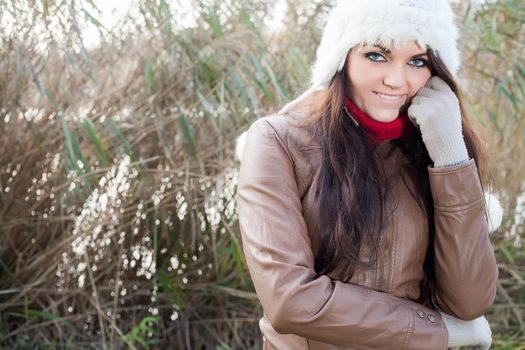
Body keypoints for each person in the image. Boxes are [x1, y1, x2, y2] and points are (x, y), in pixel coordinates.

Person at [235, 1, 499, 349]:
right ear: (342, 56)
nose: (396, 80)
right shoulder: (279, 141)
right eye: (377, 55)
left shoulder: (433, 148)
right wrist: (438, 331)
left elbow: (469, 301)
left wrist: (450, 158)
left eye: (417, 61)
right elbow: (290, 301)